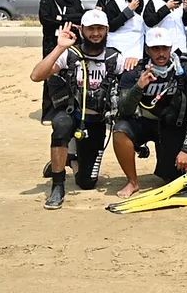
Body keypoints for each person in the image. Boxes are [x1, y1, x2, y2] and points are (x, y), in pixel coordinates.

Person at [29, 13, 125, 209]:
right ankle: (58, 185)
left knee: (87, 182)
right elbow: (36, 76)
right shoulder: (70, 54)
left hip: (96, 121)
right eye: (90, 29)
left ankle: (69, 158)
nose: (95, 33)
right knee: (61, 126)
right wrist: (60, 47)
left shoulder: (115, 58)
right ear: (82, 30)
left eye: (100, 28)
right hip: (72, 112)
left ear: (107, 30)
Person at [112, 27, 187, 197]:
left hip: (172, 125)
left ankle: (168, 166)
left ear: (171, 48)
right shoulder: (134, 71)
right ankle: (132, 182)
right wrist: (138, 87)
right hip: (143, 122)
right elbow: (124, 110)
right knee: (119, 130)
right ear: (147, 50)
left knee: (171, 178)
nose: (161, 53)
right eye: (155, 49)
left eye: (164, 48)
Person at [38, 0, 85, 118]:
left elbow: (81, 16)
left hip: (72, 45)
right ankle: (50, 111)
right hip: (52, 44)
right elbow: (46, 19)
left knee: (72, 75)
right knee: (50, 75)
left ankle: (72, 107)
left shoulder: (74, 1)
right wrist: (66, 19)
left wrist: (60, 18)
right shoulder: (47, 1)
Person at [104, 0, 147, 65]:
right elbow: (110, 26)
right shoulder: (115, 1)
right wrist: (128, 11)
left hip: (138, 48)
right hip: (118, 48)